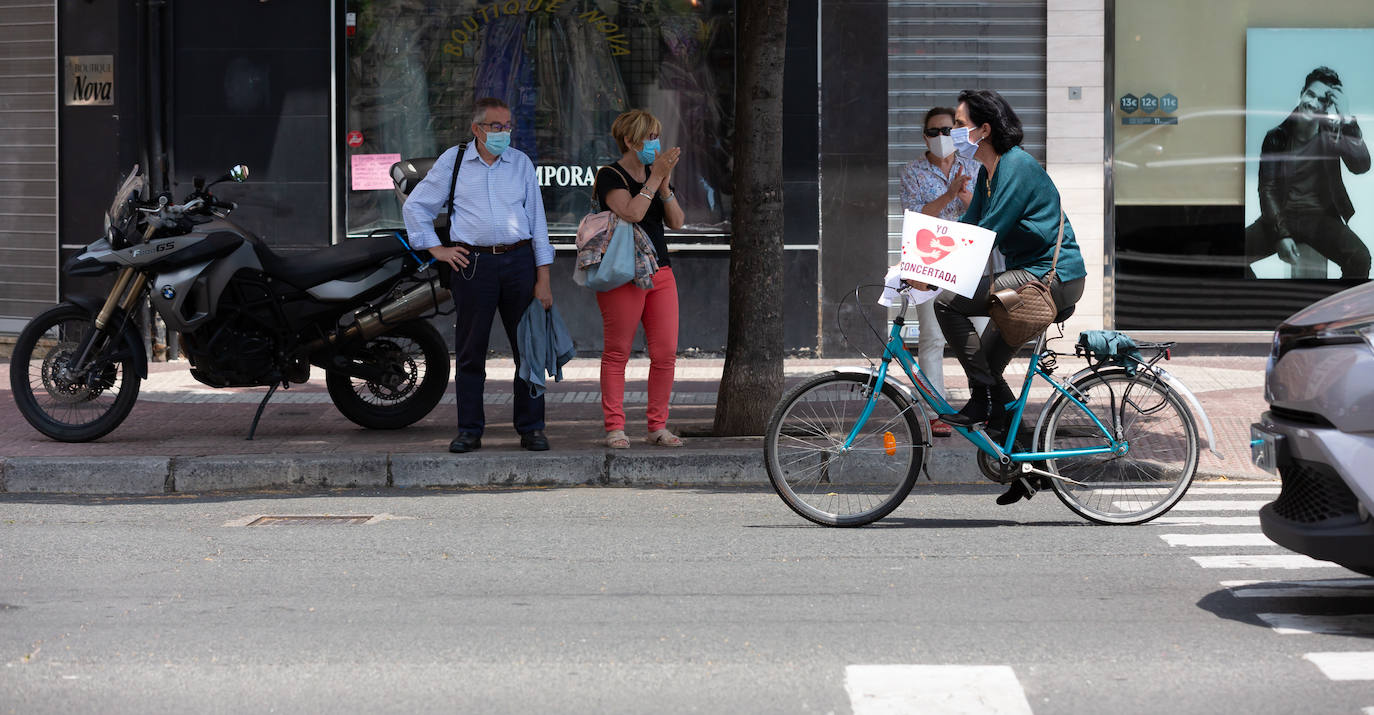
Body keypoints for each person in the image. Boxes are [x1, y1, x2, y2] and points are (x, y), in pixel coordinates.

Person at [911, 89, 1087, 505]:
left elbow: (986, 233)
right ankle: (1029, 468)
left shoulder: (1016, 166)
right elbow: (963, 229)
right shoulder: (989, 172)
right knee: (986, 371)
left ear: (983, 129)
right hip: (1032, 277)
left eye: (958, 125)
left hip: (1051, 276)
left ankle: (984, 401)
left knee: (948, 304)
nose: (952, 133)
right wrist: (913, 268)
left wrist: (937, 279)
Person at [402, 97, 555, 454]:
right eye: (495, 127)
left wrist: (543, 277)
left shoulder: (520, 163)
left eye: (507, 127)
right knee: (471, 352)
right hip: (473, 265)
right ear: (477, 129)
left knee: (529, 350)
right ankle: (469, 430)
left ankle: (531, 427)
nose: (504, 133)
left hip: (519, 262)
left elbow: (538, 223)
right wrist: (437, 250)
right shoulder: (454, 161)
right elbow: (416, 206)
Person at [593, 109, 686, 449]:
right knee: (618, 352)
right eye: (648, 137)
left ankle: (657, 426)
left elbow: (676, 221)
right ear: (629, 141)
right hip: (623, 272)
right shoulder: (609, 175)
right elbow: (631, 212)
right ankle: (615, 427)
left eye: (656, 136)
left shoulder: (655, 173)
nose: (654, 143)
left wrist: (663, 184)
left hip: (660, 271)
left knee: (665, 353)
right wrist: (653, 178)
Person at [898, 106, 981, 437]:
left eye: (947, 130)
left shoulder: (974, 167)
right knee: (932, 338)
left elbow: (984, 213)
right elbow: (914, 217)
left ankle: (984, 405)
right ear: (925, 136)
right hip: (929, 261)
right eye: (934, 131)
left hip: (970, 260)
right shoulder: (912, 172)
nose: (941, 137)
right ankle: (937, 412)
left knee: (980, 333)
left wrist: (964, 198)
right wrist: (948, 194)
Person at [1244, 66, 1370, 279]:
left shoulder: (1334, 134)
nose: (1312, 103)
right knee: (1229, 253)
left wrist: (1347, 117)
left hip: (1320, 218)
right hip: (1281, 215)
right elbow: (1268, 190)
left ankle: (1331, 310)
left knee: (1360, 259)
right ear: (1301, 94)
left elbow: (1361, 166)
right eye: (1310, 94)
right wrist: (1281, 234)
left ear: (1327, 106)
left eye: (1321, 100)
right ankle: (1263, 305)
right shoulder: (1276, 137)